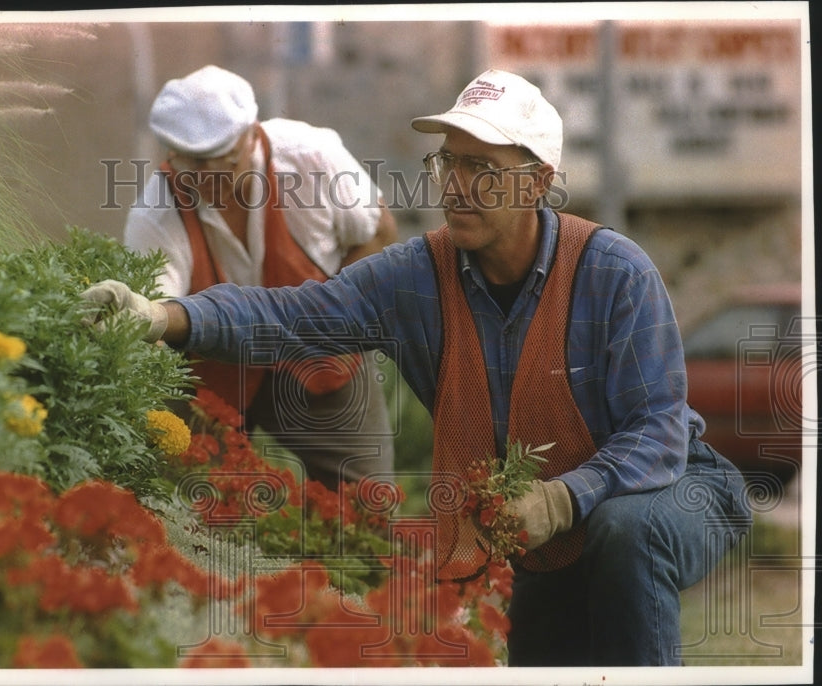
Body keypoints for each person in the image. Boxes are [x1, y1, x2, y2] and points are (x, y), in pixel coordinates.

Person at [82, 68, 751, 666]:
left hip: (672, 488)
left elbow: (658, 431)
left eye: (483, 170)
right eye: (448, 164)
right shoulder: (418, 276)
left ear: (538, 182)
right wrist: (165, 318)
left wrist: (562, 497)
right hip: (536, 522)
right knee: (544, 657)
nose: (456, 187)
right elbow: (298, 315)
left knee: (624, 533)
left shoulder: (615, 272)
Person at [119, 64, 399, 490]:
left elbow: (378, 233)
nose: (211, 180)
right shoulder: (154, 214)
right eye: (195, 168)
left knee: (367, 506)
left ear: (252, 135)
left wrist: (337, 325)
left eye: (226, 164)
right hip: (212, 375)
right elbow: (154, 319)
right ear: (171, 156)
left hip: (325, 361)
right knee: (191, 510)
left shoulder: (312, 158)